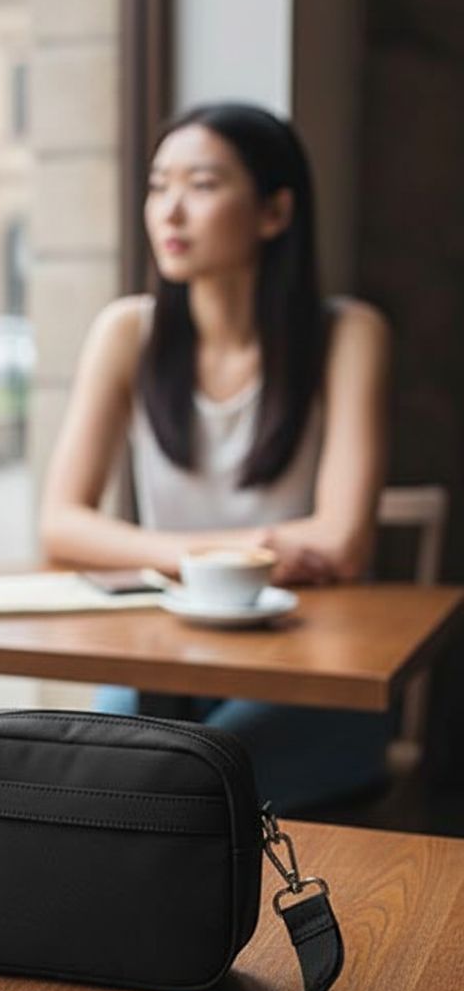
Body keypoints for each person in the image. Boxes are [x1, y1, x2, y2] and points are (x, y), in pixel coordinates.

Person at [39, 101, 392, 814]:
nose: (170, 211)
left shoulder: (348, 333)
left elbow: (342, 544)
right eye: (158, 185)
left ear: (274, 212)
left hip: (313, 667)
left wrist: (152, 550)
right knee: (98, 773)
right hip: (169, 651)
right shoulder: (127, 332)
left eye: (201, 185)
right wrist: (253, 546)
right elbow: (61, 526)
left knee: (166, 787)